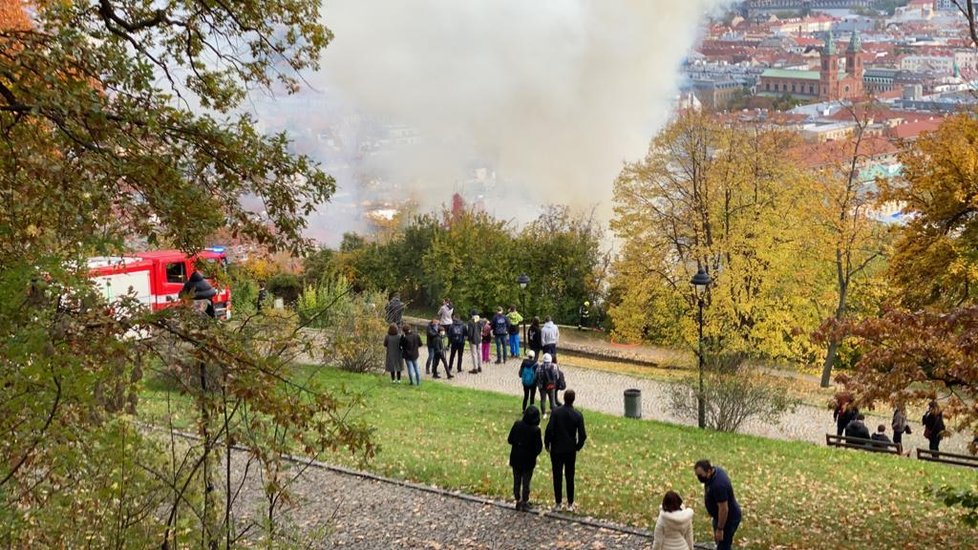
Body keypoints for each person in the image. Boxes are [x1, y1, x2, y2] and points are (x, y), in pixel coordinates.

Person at [545, 389, 586, 513]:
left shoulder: (556, 412)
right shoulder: (577, 415)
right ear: (573, 399)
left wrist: (547, 443)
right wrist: (577, 446)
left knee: (557, 475)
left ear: (563, 398)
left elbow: (549, 430)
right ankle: (570, 502)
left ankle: (558, 502)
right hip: (570, 450)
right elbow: (582, 435)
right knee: (570, 475)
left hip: (556, 449)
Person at [694, 460, 741, 550]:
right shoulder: (714, 472)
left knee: (724, 545)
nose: (699, 478)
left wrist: (720, 529)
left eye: (700, 475)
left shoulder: (719, 485)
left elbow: (724, 509)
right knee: (719, 542)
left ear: (708, 471)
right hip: (719, 517)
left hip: (728, 519)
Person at [508, 404, 543, 512]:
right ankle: (524, 500)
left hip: (516, 457)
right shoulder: (535, 430)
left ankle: (517, 499)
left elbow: (510, 439)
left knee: (517, 480)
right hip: (528, 459)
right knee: (526, 482)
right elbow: (538, 448)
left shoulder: (517, 424)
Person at [537, 353, 558, 417]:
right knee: (552, 400)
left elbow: (537, 376)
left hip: (542, 386)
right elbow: (557, 376)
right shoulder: (554, 366)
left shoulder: (539, 367)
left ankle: (544, 413)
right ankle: (554, 413)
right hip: (551, 385)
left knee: (543, 400)